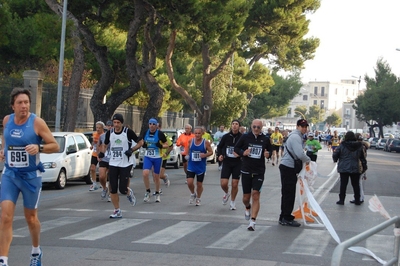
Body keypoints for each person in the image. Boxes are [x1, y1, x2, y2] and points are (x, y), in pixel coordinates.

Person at [0, 88, 60, 266]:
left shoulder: (37, 123)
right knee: (5, 216)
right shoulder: (6, 121)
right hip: (10, 174)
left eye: (26, 102)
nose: (24, 106)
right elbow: (6, 141)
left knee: (31, 218)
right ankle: (3, 260)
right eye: (20, 102)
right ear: (13, 106)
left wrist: (38, 148)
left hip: (31, 177)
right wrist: (3, 151)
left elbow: (55, 145)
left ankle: (36, 251)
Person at [101, 113, 143, 218]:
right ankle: (117, 210)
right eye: (114, 122)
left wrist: (131, 150)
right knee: (113, 188)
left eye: (118, 123)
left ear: (122, 123)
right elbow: (105, 144)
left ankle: (128, 193)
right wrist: (102, 152)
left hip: (125, 163)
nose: (116, 125)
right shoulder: (109, 133)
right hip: (113, 163)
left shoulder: (127, 132)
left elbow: (140, 142)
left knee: (122, 189)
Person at [234, 119, 271, 231]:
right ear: (251, 126)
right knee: (246, 198)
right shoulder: (245, 137)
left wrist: (267, 154)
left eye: (258, 127)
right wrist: (242, 153)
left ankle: (253, 221)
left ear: (261, 128)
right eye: (254, 127)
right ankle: (247, 206)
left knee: (255, 194)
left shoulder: (265, 139)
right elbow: (236, 148)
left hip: (259, 171)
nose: (255, 129)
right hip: (246, 170)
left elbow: (269, 151)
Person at [278, 119, 311, 227]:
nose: (304, 128)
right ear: (297, 126)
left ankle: (284, 215)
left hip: (288, 166)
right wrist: (308, 159)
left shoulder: (296, 136)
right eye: (302, 126)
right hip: (288, 167)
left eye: (306, 126)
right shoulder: (296, 137)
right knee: (289, 193)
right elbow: (299, 154)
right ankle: (286, 217)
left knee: (288, 193)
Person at [333, 131, 367, 205]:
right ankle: (357, 199)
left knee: (343, 184)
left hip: (344, 167)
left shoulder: (342, 145)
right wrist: (364, 167)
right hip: (355, 167)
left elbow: (336, 154)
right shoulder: (359, 145)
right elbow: (362, 158)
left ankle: (341, 200)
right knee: (355, 185)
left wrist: (335, 159)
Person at [142, 118, 170, 203]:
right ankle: (147, 192)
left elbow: (167, 144)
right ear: (148, 124)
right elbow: (142, 142)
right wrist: (143, 145)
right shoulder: (145, 132)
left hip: (157, 157)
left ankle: (157, 193)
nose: (152, 125)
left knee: (156, 176)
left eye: (153, 124)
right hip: (148, 156)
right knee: (145, 173)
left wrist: (161, 146)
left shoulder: (160, 134)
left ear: (156, 125)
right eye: (150, 124)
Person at [217, 120, 242, 210]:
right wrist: (220, 155)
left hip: (237, 163)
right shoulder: (226, 137)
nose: (234, 126)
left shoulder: (242, 137)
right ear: (231, 126)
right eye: (233, 124)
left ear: (239, 126)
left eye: (236, 124)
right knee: (223, 183)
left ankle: (232, 202)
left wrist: (240, 154)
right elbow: (219, 147)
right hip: (227, 162)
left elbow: (246, 149)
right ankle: (227, 193)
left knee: (235, 184)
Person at [186, 126, 214, 206]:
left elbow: (211, 152)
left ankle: (198, 198)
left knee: (199, 184)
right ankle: (192, 193)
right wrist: (187, 155)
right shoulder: (191, 141)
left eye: (199, 133)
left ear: (202, 133)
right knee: (189, 182)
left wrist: (204, 155)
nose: (197, 135)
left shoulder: (205, 142)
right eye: (196, 133)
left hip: (200, 167)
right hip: (191, 165)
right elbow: (188, 149)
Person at [152, 121, 173, 195]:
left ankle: (164, 177)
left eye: (157, 127)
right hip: (154, 157)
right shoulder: (151, 136)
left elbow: (171, 146)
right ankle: (158, 189)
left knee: (160, 175)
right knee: (154, 175)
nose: (155, 128)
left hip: (163, 158)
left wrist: (166, 153)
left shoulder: (164, 136)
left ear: (160, 128)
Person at [98, 121, 113, 201]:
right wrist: (98, 155)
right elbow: (98, 145)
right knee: (101, 176)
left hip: (113, 159)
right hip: (104, 158)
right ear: (106, 127)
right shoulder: (102, 136)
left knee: (111, 177)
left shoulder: (116, 136)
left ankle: (110, 194)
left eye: (111, 125)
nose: (110, 127)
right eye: (108, 125)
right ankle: (104, 188)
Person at [353, 133, 370, 204]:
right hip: (362, 167)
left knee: (358, 184)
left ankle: (360, 198)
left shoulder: (360, 147)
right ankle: (360, 197)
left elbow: (361, 158)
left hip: (359, 167)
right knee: (359, 183)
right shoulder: (364, 146)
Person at [89, 121, 105, 191]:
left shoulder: (104, 135)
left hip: (102, 154)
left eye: (99, 128)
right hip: (95, 154)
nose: (98, 129)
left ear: (102, 128)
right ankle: (94, 183)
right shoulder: (94, 134)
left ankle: (103, 183)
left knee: (103, 171)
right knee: (92, 168)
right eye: (97, 128)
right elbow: (94, 141)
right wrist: (92, 146)